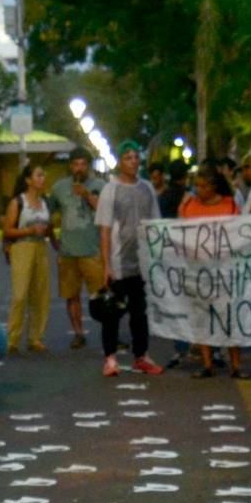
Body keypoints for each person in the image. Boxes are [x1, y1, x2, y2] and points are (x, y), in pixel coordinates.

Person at [95, 145, 164, 377]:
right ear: (120, 162)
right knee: (112, 312)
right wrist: (106, 265)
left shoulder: (147, 189)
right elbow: (104, 230)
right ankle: (110, 357)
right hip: (118, 261)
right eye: (128, 158)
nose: (133, 162)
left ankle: (141, 355)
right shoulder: (110, 190)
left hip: (142, 261)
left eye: (136, 157)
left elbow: (156, 225)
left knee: (140, 312)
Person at [173, 165, 246, 380]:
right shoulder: (188, 205)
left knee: (229, 317)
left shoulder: (229, 205)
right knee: (202, 317)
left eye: (203, 186)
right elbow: (180, 233)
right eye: (196, 185)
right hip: (197, 270)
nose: (199, 190)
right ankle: (207, 363)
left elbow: (238, 234)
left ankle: (236, 364)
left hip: (224, 270)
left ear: (214, 186)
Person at [50, 149, 105, 350]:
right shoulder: (59, 188)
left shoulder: (99, 185)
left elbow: (104, 209)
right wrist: (52, 238)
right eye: (75, 164)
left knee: (101, 294)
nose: (79, 169)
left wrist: (86, 194)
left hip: (92, 249)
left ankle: (110, 332)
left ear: (88, 166)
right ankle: (78, 333)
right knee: (71, 294)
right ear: (70, 166)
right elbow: (50, 213)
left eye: (83, 164)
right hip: (68, 251)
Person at [1, 163, 55, 354]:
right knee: (20, 294)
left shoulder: (45, 203)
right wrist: (29, 230)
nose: (42, 179)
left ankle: (35, 337)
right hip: (22, 246)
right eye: (38, 175)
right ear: (28, 180)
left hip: (41, 246)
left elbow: (49, 228)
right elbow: (7, 229)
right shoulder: (18, 202)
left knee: (40, 294)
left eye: (43, 175)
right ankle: (12, 339)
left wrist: (50, 235)